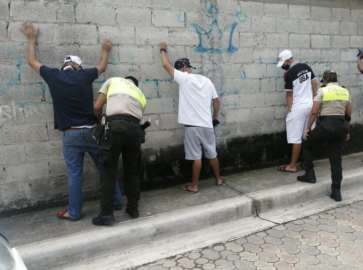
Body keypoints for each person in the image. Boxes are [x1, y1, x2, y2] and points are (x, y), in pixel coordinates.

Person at [20, 22, 122, 221]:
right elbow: (102, 66)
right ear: (78, 66)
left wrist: (31, 39)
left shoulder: (53, 75)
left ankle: (74, 212)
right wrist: (105, 50)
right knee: (104, 168)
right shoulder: (84, 75)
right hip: (92, 132)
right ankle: (116, 201)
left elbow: (32, 60)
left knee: (75, 175)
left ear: (64, 66)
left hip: (70, 135)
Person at [159, 42, 225, 194]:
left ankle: (194, 186)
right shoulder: (207, 80)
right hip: (207, 125)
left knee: (197, 157)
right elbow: (216, 101)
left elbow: (165, 64)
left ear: (182, 70)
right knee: (212, 153)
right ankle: (219, 179)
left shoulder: (184, 78)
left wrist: (163, 50)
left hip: (192, 126)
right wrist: (214, 116)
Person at [91, 76, 147, 226]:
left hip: (114, 128)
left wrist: (99, 122)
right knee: (132, 171)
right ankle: (133, 209)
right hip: (135, 131)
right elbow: (138, 118)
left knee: (109, 171)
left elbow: (97, 107)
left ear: (125, 80)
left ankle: (106, 214)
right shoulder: (141, 94)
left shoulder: (113, 80)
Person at [298, 70, 351, 202]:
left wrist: (308, 128)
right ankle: (336, 192)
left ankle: (310, 174)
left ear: (326, 80)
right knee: (336, 162)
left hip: (326, 125)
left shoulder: (322, 91)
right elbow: (348, 114)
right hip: (341, 127)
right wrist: (347, 131)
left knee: (306, 143)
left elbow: (314, 112)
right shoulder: (345, 92)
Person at [276, 49, 318, 173]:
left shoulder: (289, 74)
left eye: (284, 64)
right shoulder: (306, 67)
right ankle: (307, 163)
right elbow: (314, 84)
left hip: (298, 108)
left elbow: (289, 95)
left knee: (296, 139)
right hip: (310, 107)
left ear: (288, 60)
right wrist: (314, 100)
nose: (283, 67)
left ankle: (292, 166)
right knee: (308, 136)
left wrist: (290, 110)